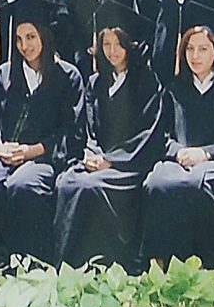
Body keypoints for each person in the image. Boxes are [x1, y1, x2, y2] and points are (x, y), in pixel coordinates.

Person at [52, 16, 168, 269]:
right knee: (68, 182)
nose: (112, 51)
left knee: (91, 186)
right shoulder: (96, 82)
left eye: (118, 44)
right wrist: (91, 153)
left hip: (130, 163)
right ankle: (68, 267)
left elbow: (149, 133)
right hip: (98, 159)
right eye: (106, 44)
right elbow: (88, 127)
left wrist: (111, 160)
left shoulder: (146, 81)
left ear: (130, 45)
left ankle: (106, 266)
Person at [0, 12, 85, 262]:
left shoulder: (68, 76)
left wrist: (33, 150)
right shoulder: (3, 74)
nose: (25, 46)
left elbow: (72, 132)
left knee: (23, 185)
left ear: (45, 36)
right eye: (19, 39)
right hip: (4, 154)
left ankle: (30, 264)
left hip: (43, 157)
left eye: (31, 37)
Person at [141, 24, 214, 265]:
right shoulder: (174, 89)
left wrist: (205, 154)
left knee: (201, 185)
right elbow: (160, 134)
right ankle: (165, 267)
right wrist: (179, 152)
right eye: (189, 49)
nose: (195, 56)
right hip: (178, 161)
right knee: (157, 184)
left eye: (203, 49)